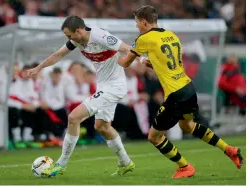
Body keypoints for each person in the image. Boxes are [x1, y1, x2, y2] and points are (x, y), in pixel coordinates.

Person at [118, 5, 243, 179]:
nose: (137, 26)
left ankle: (185, 167)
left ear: (144, 22)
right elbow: (171, 64)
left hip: (174, 94)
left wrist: (115, 56)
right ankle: (229, 149)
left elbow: (125, 63)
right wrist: (151, 63)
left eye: (137, 23)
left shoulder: (143, 38)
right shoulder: (171, 35)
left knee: (154, 136)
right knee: (188, 125)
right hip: (188, 88)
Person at [27, 15, 135, 177]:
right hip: (104, 85)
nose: (68, 39)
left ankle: (60, 164)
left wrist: (142, 60)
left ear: (78, 31)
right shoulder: (77, 40)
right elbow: (58, 55)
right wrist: (38, 68)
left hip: (114, 86)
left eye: (69, 35)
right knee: (102, 127)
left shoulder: (100, 36)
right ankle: (126, 162)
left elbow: (127, 48)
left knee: (73, 117)